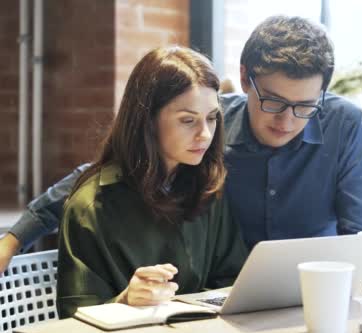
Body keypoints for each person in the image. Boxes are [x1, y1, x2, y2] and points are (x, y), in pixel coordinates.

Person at [0, 15, 362, 272]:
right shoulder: (210, 129)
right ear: (245, 78)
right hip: (224, 298)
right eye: (274, 103)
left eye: (304, 107)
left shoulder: (343, 123)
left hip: (316, 295)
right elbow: (107, 174)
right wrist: (13, 239)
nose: (286, 121)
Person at [55, 46, 248, 318]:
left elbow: (232, 280)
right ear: (148, 121)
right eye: (188, 120)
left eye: (212, 118)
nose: (205, 134)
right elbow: (72, 320)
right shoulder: (91, 207)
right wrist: (124, 300)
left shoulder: (207, 187)